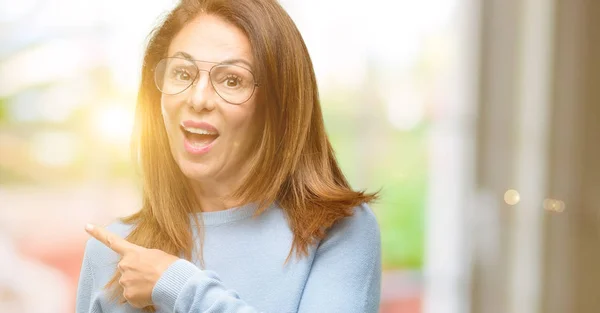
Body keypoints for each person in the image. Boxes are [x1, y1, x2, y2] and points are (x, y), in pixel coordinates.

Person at [76, 0, 381, 312]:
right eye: (182, 73)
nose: (198, 99)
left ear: (277, 106)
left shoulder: (337, 230)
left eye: (232, 80)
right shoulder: (114, 255)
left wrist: (178, 285)